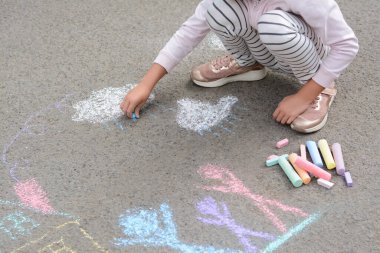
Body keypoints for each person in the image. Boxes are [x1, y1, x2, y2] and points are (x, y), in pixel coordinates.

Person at [120, 0, 358, 133]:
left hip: (307, 55)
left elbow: (346, 45)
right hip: (266, 48)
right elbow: (189, 33)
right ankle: (249, 64)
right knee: (218, 10)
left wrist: (305, 95)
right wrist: (146, 84)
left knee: (273, 24)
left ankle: (319, 87)